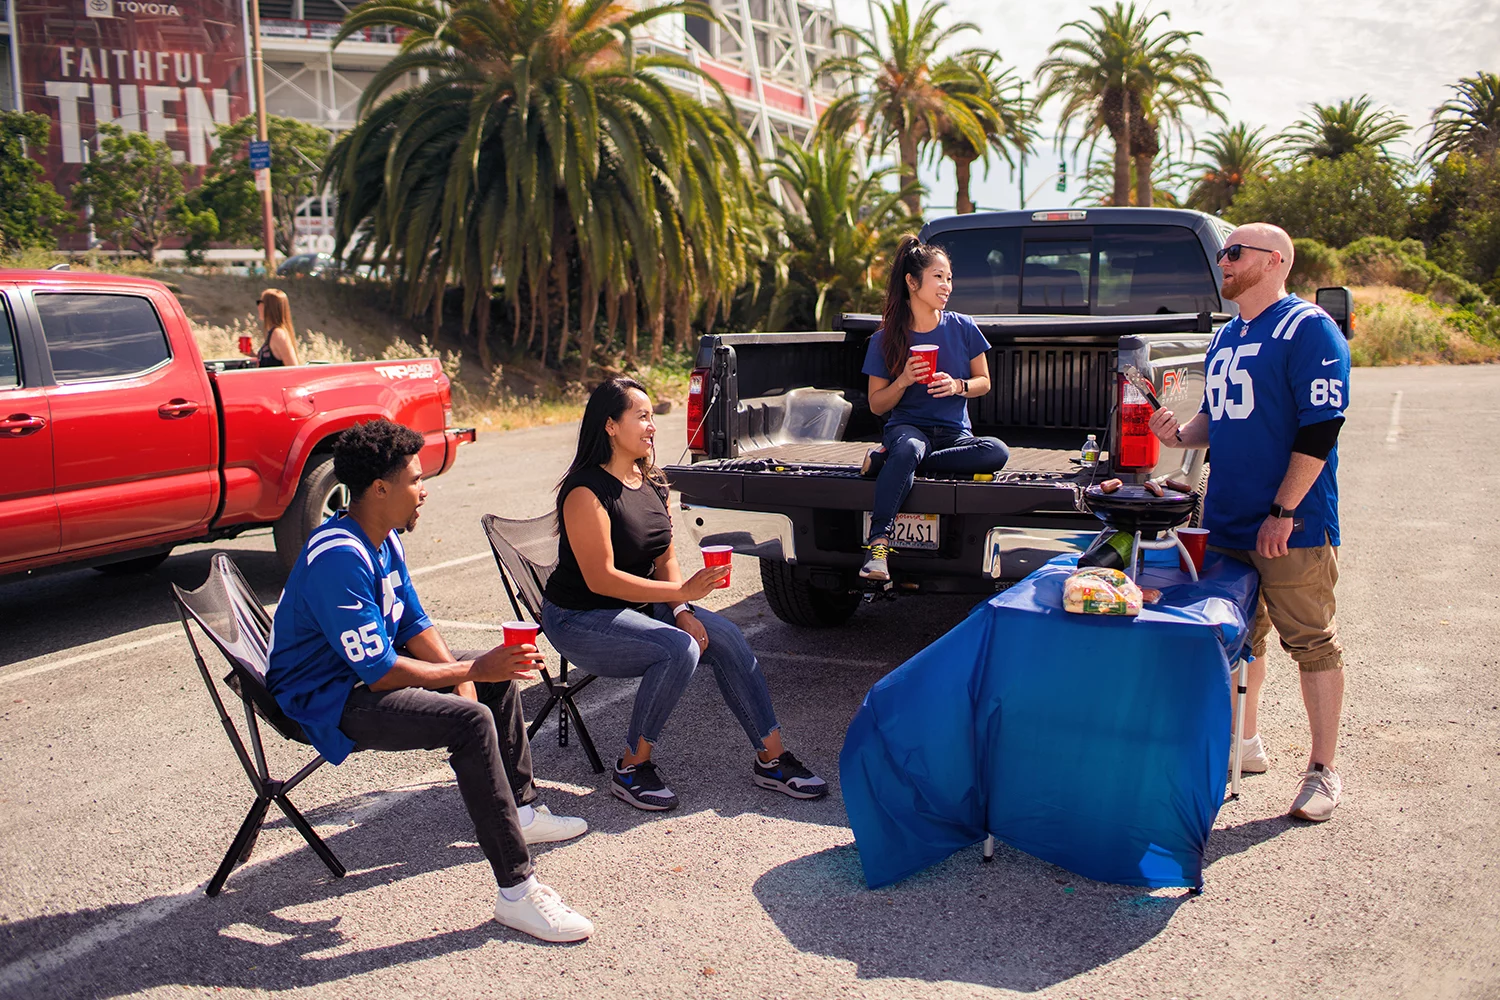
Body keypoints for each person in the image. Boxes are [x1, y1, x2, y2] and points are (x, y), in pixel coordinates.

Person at [267, 419, 595, 942]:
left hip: (358, 676)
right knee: (470, 721)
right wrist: (469, 670)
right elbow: (378, 673)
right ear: (380, 489)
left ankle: (523, 809)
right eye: (416, 480)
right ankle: (517, 893)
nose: (424, 491)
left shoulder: (382, 535)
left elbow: (414, 621)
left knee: (495, 681)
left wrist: (471, 676)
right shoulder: (339, 557)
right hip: (327, 700)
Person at [540, 377, 828, 812]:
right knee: (679, 650)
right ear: (611, 426)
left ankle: (772, 759)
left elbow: (664, 558)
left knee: (726, 636)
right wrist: (679, 593)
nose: (652, 426)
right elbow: (600, 579)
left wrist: (681, 608)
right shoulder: (585, 491)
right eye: (641, 416)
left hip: (642, 606)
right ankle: (632, 766)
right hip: (580, 618)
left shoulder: (651, 481)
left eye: (652, 416)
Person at [1148, 222, 1351, 823]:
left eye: (1235, 252)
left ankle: (1323, 770)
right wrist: (1180, 435)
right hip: (1229, 519)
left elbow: (1321, 427)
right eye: (1222, 252)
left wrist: (1284, 511)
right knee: (1240, 636)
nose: (1223, 260)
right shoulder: (1227, 335)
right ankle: (1247, 743)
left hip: (1290, 523)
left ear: (1277, 261)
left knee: (1310, 640)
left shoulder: (1308, 327)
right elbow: (1219, 413)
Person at [858, 236, 1009, 581]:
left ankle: (892, 462)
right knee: (909, 447)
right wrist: (903, 380)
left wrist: (959, 386)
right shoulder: (885, 339)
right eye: (938, 277)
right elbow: (877, 404)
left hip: (955, 435)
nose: (946, 286)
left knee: (996, 451)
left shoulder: (963, 327)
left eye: (949, 278)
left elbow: (983, 381)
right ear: (912, 282)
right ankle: (878, 546)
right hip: (908, 429)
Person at [255, 289, 300, 367]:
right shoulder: (275, 333)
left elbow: (293, 367)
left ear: (269, 307)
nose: (258, 306)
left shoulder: (278, 334)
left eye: (260, 302)